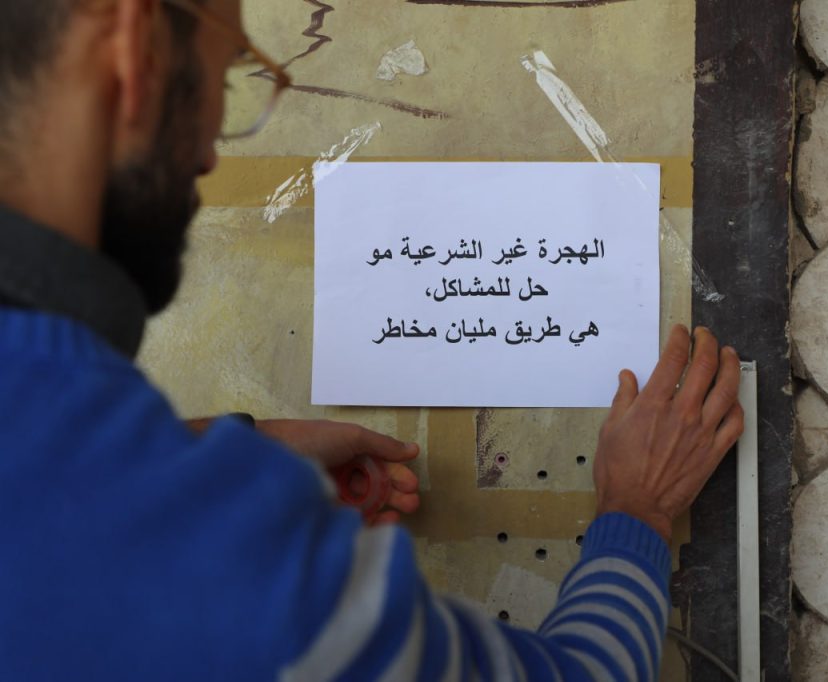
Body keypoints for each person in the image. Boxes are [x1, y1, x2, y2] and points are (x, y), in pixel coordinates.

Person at [0, 0, 745, 679]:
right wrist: (637, 511)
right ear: (135, 48)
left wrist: (215, 451)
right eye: (222, 81)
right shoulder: (230, 564)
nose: (210, 157)